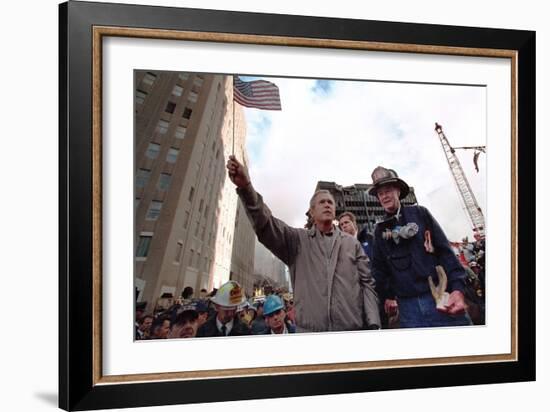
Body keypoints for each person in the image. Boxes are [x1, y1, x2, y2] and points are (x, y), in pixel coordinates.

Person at [226, 155, 380, 332]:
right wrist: (246, 188)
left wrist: (374, 323)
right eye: (322, 202)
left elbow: (368, 284)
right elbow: (266, 223)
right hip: (310, 336)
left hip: (351, 332)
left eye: (330, 202)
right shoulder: (297, 241)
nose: (327, 205)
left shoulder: (352, 244)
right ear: (312, 212)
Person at [368, 166, 472, 328]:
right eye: (380, 193)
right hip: (408, 309)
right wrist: (387, 296)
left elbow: (446, 253)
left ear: (398, 191)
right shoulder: (379, 230)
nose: (384, 196)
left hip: (439, 298)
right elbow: (379, 270)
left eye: (388, 190)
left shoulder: (420, 214)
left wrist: (457, 289)